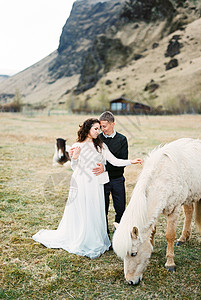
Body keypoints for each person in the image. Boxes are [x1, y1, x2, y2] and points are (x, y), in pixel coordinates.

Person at [32, 118, 142, 259]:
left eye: (99, 128)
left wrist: (131, 161)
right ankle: (81, 236)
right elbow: (75, 168)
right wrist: (75, 158)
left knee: (95, 209)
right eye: (96, 129)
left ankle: (95, 237)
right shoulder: (77, 145)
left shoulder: (100, 145)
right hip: (81, 182)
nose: (99, 131)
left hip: (96, 183)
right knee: (82, 209)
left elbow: (113, 160)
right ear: (87, 129)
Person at [92, 111, 129, 234]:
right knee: (103, 209)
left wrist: (106, 168)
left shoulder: (122, 139)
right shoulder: (98, 139)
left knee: (120, 209)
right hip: (102, 180)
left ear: (113, 124)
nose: (102, 129)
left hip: (117, 179)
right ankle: (104, 236)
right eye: (100, 126)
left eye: (104, 126)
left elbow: (122, 162)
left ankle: (119, 233)